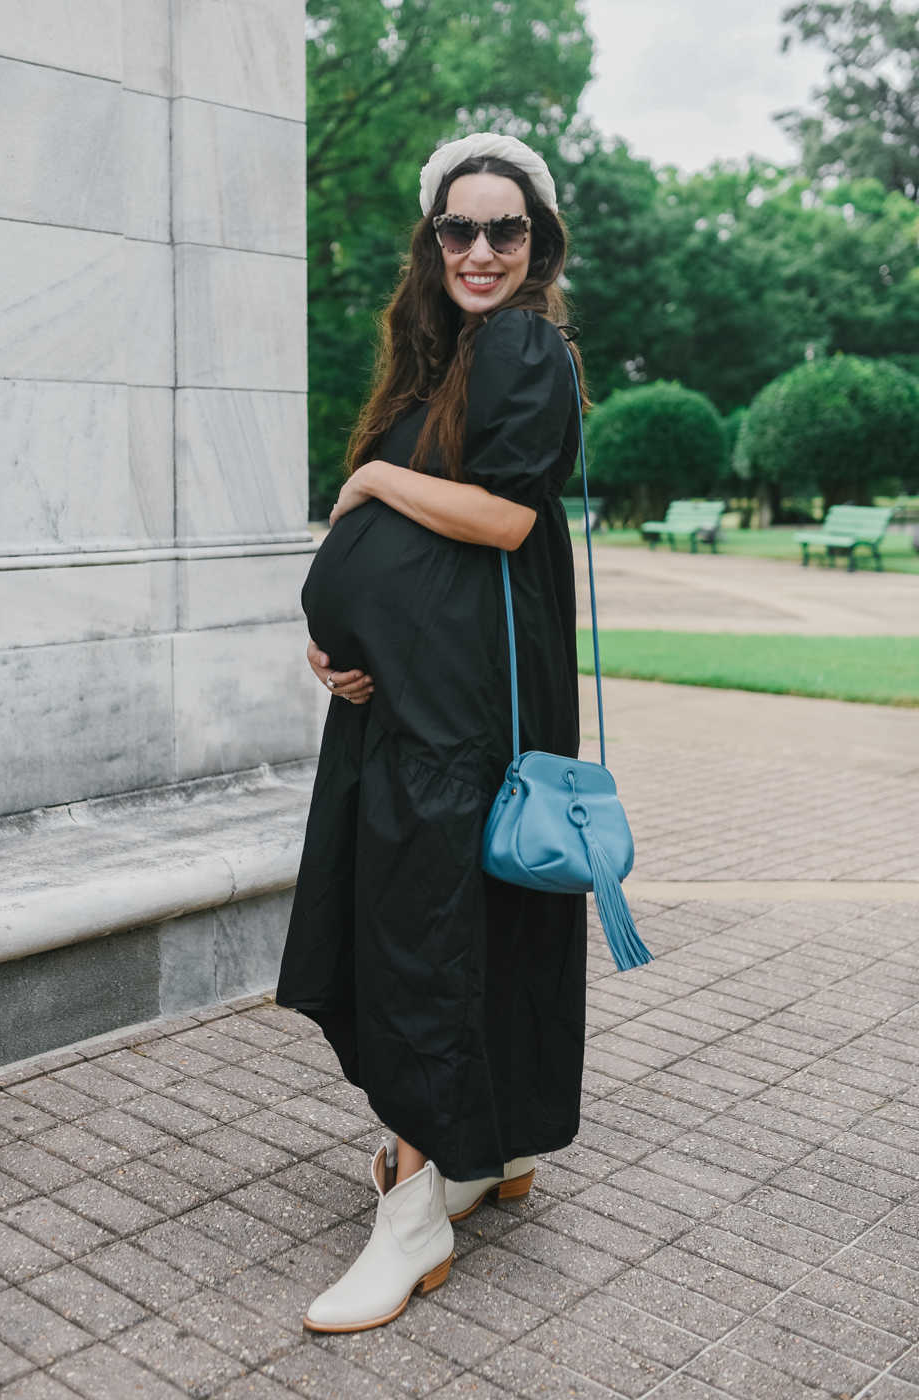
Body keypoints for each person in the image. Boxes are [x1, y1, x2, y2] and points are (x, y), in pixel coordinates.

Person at [276, 133, 588, 1334]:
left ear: (536, 243)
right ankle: (484, 1144)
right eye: (458, 229)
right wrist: (337, 635)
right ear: (432, 242)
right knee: (450, 913)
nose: (478, 249)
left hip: (457, 706)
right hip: (413, 693)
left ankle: (412, 1217)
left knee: (418, 923)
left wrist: (363, 489)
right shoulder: (442, 357)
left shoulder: (519, 344)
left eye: (504, 229)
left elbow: (503, 518)